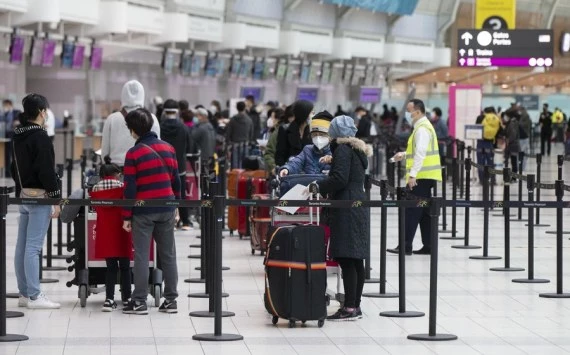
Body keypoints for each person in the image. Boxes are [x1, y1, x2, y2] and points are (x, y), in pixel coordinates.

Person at [307, 115, 372, 321]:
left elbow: (340, 179)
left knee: (346, 258)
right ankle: (355, 306)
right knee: (356, 259)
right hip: (358, 205)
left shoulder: (342, 149)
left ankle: (350, 308)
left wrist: (318, 185)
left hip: (346, 207)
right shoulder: (356, 149)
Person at [122, 108, 180, 315]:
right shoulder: (169, 148)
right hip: (166, 208)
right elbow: (176, 181)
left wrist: (127, 216)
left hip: (143, 210)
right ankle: (171, 300)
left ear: (133, 131)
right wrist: (177, 208)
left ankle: (139, 301)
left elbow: (130, 188)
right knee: (168, 255)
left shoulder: (133, 153)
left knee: (141, 256)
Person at [12, 94, 61, 309]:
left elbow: (14, 168)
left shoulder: (18, 135)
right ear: (42, 112)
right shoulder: (40, 137)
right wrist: (56, 198)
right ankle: (34, 295)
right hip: (40, 196)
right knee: (33, 247)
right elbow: (47, 172)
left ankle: (24, 292)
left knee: (22, 246)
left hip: (24, 194)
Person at [388, 99, 442, 256]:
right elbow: (418, 151)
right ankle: (429, 246)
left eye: (409, 110)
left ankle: (405, 245)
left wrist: (412, 175)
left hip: (420, 177)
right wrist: (404, 155)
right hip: (426, 176)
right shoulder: (423, 127)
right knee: (425, 212)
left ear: (417, 112)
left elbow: (421, 153)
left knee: (411, 210)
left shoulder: (422, 129)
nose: (407, 113)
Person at [90, 158, 133, 311]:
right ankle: (127, 298)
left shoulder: (95, 189)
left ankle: (109, 299)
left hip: (105, 232)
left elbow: (94, 208)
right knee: (126, 267)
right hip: (123, 231)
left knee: (111, 268)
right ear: (115, 174)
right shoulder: (122, 186)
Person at [101, 80, 161, 166]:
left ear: (123, 95)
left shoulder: (111, 119)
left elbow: (105, 149)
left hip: (117, 169)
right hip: (144, 167)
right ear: (142, 95)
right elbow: (157, 145)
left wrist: (105, 164)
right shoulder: (152, 118)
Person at [160, 99, 192, 230]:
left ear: (164, 111)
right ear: (177, 111)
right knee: (181, 193)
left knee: (163, 193)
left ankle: (165, 220)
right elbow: (190, 147)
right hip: (180, 167)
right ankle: (185, 221)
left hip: (163, 167)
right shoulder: (183, 127)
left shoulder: (159, 127)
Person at [279, 111, 333, 176]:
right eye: (315, 134)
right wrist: (287, 169)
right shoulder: (308, 150)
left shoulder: (335, 152)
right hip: (307, 185)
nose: (318, 137)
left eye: (322, 134)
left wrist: (332, 160)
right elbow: (296, 162)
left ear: (331, 136)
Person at [275, 100, 313, 166]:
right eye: (311, 113)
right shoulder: (285, 129)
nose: (313, 115)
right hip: (289, 169)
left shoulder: (312, 130)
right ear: (304, 113)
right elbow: (280, 154)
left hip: (307, 170)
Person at [477, 107, 500, 184]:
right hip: (490, 143)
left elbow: (476, 129)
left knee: (481, 162)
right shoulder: (496, 119)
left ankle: (482, 180)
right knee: (490, 162)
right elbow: (499, 132)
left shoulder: (480, 117)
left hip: (480, 142)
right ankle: (493, 180)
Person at [263, 107, 285, 175]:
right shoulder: (277, 130)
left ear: (277, 119)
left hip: (277, 169)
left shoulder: (278, 131)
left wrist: (273, 167)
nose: (270, 119)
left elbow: (269, 151)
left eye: (272, 117)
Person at [2, 99, 21, 177]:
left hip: (13, 135)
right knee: (6, 154)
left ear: (9, 104)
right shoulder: (4, 114)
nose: (4, 107)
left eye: (5, 105)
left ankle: (15, 172)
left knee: (13, 154)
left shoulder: (17, 112)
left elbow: (20, 121)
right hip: (6, 135)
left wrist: (17, 122)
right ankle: (7, 173)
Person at [504, 110, 521, 177]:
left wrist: (508, 140)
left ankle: (513, 177)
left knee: (513, 162)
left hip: (512, 144)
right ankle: (513, 176)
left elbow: (513, 134)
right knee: (513, 162)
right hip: (514, 144)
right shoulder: (514, 122)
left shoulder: (512, 123)